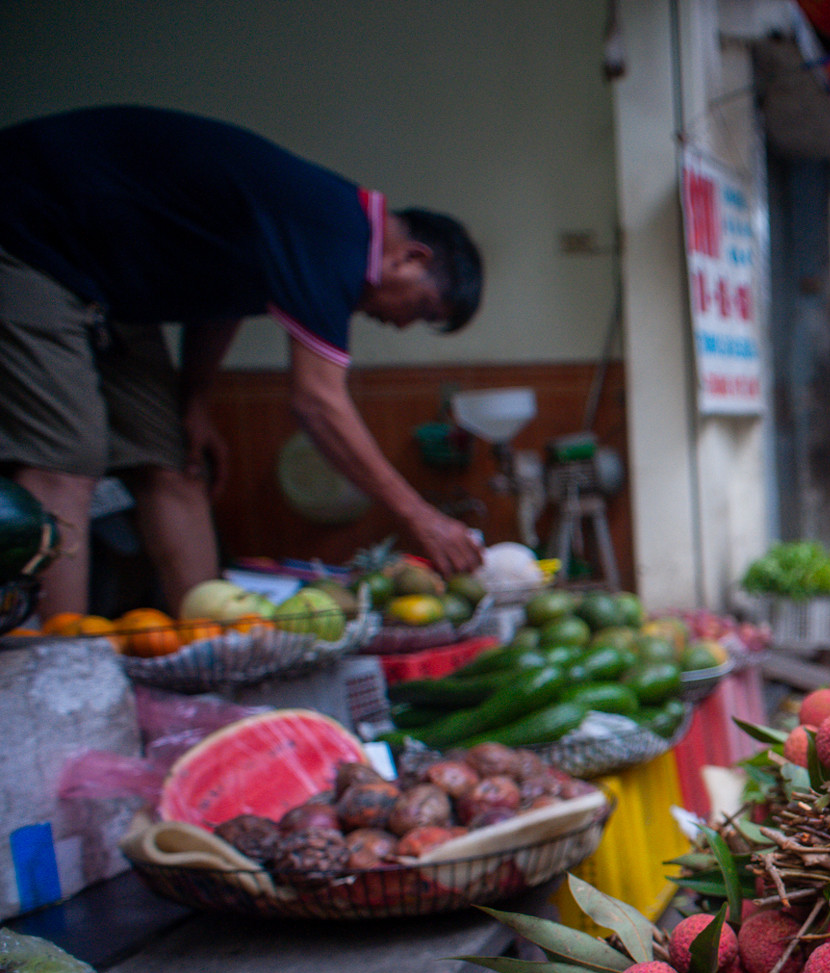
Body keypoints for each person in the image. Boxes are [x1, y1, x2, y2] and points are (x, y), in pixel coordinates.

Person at [0, 105, 485, 619]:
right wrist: (418, 515)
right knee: (67, 461)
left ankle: (215, 645)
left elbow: (224, 296)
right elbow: (318, 402)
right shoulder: (337, 234)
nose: (405, 324)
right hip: (31, 229)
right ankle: (63, 667)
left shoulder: (315, 229)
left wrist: (196, 400)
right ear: (412, 258)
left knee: (176, 462)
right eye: (423, 309)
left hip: (110, 285)